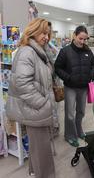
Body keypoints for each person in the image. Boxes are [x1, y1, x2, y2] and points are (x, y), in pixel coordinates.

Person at [6, 18, 56, 178]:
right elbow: (22, 83)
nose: (46, 37)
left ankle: (34, 172)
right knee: (42, 149)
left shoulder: (39, 51)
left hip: (35, 109)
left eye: (48, 33)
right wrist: (42, 103)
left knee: (38, 146)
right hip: (35, 109)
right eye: (43, 33)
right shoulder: (28, 51)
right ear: (33, 31)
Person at [55, 26, 94, 147]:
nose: (82, 42)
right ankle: (70, 135)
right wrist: (68, 78)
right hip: (70, 87)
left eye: (85, 39)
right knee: (70, 113)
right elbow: (57, 67)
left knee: (81, 111)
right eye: (80, 38)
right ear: (74, 35)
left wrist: (91, 75)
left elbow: (93, 65)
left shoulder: (88, 51)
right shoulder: (65, 51)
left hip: (84, 87)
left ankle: (79, 130)